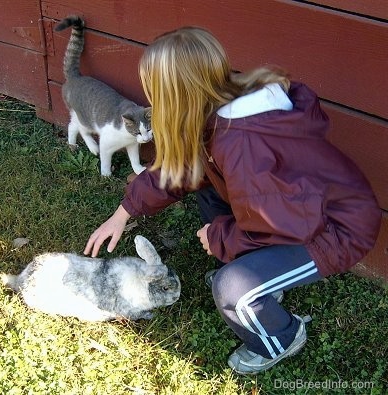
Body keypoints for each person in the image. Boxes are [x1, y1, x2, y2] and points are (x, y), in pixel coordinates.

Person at [84, 27, 381, 374]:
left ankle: (282, 338)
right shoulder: (216, 114)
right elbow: (181, 170)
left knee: (232, 288)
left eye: (155, 92)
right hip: (296, 212)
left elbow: (280, 224)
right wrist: (124, 211)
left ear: (176, 95)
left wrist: (219, 237)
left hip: (334, 230)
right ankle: (263, 274)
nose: (153, 101)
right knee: (209, 185)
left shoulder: (243, 144)